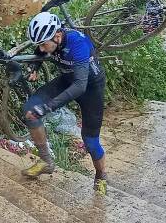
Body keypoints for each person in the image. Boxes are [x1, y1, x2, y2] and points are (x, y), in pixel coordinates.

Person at [21, 11, 107, 194]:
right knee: (30, 111)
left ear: (58, 36)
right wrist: (34, 67)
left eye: (45, 45)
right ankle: (46, 162)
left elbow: (79, 86)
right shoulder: (49, 39)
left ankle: (101, 175)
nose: (42, 50)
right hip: (67, 80)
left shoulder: (78, 44)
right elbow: (39, 50)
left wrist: (47, 107)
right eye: (40, 45)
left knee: (91, 142)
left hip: (90, 88)